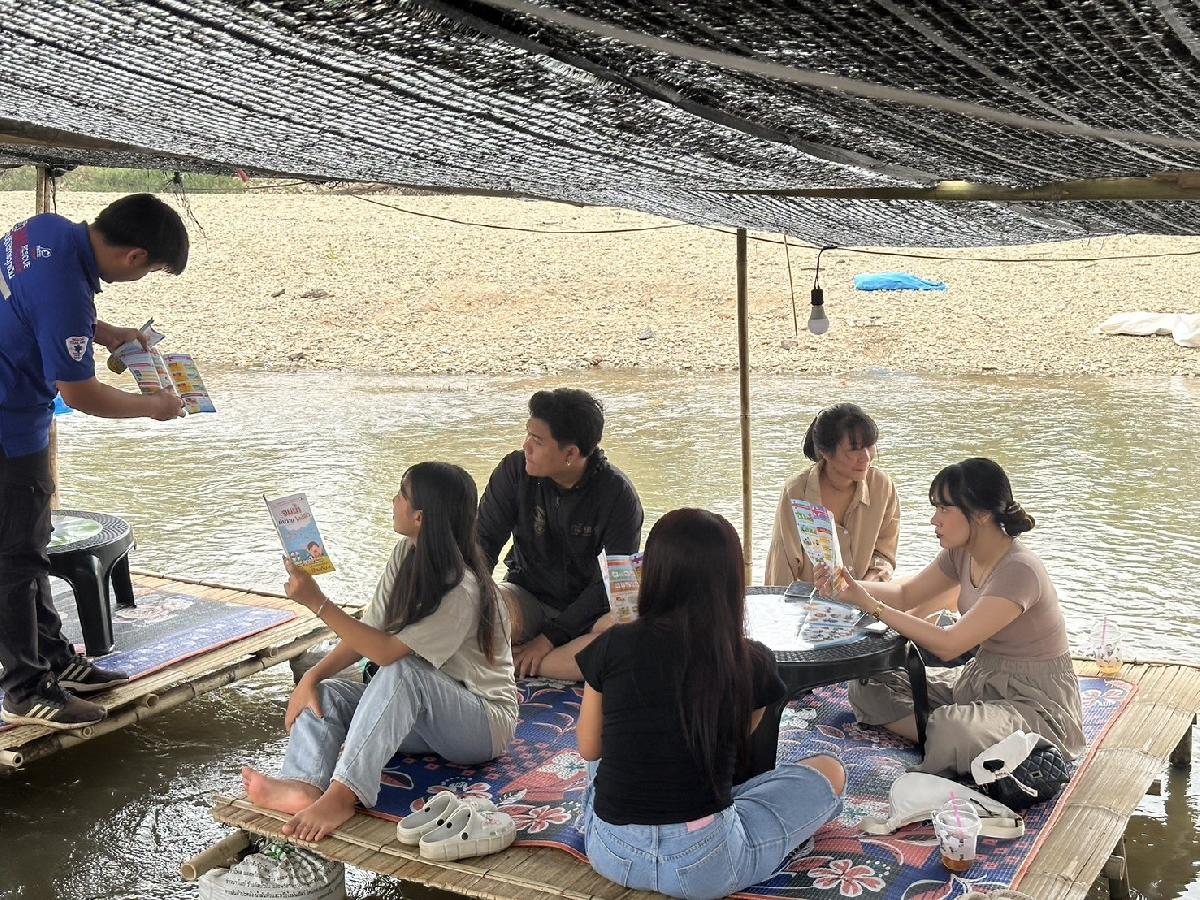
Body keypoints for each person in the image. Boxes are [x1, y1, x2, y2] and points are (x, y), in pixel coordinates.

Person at [575, 508, 845, 899]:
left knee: (604, 755)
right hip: (706, 865)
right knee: (830, 771)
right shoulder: (751, 661)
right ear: (733, 583)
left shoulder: (612, 644)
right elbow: (737, 740)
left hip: (612, 853)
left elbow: (589, 749)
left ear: (651, 573)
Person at [242, 462, 517, 842]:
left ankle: (342, 796)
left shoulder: (461, 590)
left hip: (480, 724)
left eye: (402, 495)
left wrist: (317, 602)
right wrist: (311, 677)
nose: (393, 501)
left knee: (402, 670)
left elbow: (387, 654)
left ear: (420, 516)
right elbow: (369, 633)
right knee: (326, 694)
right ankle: (303, 785)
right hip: (423, 714)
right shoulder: (406, 553)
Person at [0, 194, 188, 730]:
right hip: (8, 425)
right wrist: (154, 407)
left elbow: (33, 301)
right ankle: (24, 689)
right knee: (15, 559)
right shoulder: (67, 296)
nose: (141, 277)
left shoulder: (45, 230)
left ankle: (54, 661)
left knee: (28, 547)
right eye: (149, 270)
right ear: (135, 256)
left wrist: (106, 333)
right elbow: (80, 394)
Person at [817, 458, 1085, 776]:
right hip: (980, 677)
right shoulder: (961, 552)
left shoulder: (1019, 571)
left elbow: (949, 645)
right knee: (868, 683)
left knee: (953, 728)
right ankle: (956, 741)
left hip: (1033, 700)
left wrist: (870, 605)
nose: (935, 519)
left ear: (981, 513)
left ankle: (954, 738)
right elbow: (905, 594)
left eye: (944, 508)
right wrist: (846, 585)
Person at [477, 388, 642, 681]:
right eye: (527, 435)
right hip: (526, 597)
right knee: (482, 609)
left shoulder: (618, 496)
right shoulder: (515, 471)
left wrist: (550, 638)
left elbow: (614, 585)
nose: (526, 446)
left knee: (629, 634)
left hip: (589, 617)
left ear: (570, 454)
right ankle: (543, 661)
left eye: (537, 441)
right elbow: (482, 544)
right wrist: (470, 598)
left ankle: (525, 662)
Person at [765, 403, 899, 587]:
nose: (866, 457)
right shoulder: (796, 492)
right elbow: (782, 567)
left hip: (868, 596)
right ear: (826, 452)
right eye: (854, 449)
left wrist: (863, 589)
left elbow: (884, 554)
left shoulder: (881, 487)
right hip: (809, 601)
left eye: (870, 446)